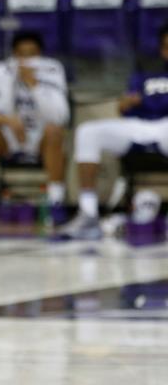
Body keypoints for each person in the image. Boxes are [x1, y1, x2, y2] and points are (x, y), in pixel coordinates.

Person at [60, 25, 168, 239]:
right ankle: (88, 213)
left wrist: (147, 100)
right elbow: (124, 107)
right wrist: (126, 103)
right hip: (140, 124)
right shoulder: (145, 74)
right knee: (88, 132)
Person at [0, 31, 69, 225]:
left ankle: (55, 203)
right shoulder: (3, 70)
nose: (27, 59)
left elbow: (60, 117)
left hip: (41, 139)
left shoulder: (53, 69)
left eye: (32, 54)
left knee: (55, 131)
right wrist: (8, 120)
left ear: (41, 54)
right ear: (14, 54)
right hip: (9, 139)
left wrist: (33, 85)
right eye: (22, 54)